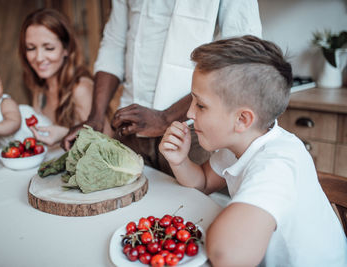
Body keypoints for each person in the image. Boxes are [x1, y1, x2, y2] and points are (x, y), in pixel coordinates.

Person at [159, 35, 347, 266]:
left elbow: (227, 255)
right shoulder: (242, 143)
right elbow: (204, 182)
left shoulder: (277, 163)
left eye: (200, 105)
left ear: (242, 119)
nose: (189, 113)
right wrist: (179, 161)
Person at [62, 0, 262, 174]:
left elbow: (240, 59)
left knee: (188, 210)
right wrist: (95, 118)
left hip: (191, 130)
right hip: (130, 125)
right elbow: (114, 44)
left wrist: (165, 118)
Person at [18, 8, 112, 146]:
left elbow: (109, 142)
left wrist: (65, 134)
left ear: (66, 49)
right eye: (31, 48)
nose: (38, 58)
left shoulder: (80, 88)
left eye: (49, 48)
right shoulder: (40, 88)